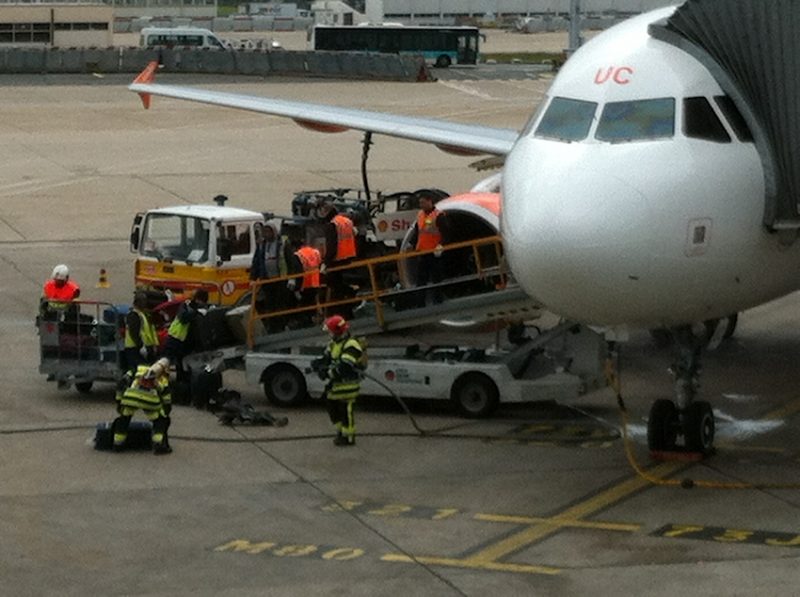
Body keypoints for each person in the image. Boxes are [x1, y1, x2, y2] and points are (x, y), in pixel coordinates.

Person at [312, 315, 366, 447]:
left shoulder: (351, 345)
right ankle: (341, 431)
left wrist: (327, 373)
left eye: (330, 331)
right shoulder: (333, 344)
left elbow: (345, 367)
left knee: (345, 409)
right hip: (337, 384)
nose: (329, 334)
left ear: (337, 332)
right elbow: (327, 358)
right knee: (332, 406)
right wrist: (317, 364)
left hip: (349, 384)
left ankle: (348, 437)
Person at [111, 357, 173, 454]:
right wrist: (166, 410)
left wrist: (119, 401)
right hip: (150, 400)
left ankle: (117, 444)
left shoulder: (135, 369)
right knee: (160, 421)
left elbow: (121, 383)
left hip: (131, 397)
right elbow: (166, 396)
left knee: (124, 419)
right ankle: (159, 445)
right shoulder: (162, 376)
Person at [316, 200, 357, 316]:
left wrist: (325, 263)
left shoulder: (332, 225)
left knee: (333, 286)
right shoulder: (346, 221)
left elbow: (332, 247)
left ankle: (340, 312)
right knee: (340, 287)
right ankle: (349, 306)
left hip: (337, 261)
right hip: (350, 258)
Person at [409, 194, 450, 306]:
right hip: (423, 252)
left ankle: (438, 300)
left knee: (436, 277)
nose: (421, 205)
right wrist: (412, 245)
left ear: (430, 201)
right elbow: (418, 232)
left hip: (434, 252)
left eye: (423, 202)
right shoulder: (420, 215)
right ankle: (420, 302)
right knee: (421, 279)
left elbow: (446, 233)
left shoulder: (438, 215)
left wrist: (441, 245)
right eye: (420, 203)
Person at [163, 288, 208, 388]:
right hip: (175, 339)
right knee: (166, 362)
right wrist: (196, 312)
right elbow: (184, 318)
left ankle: (183, 387)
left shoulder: (199, 309)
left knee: (183, 366)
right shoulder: (187, 305)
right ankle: (166, 385)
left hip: (184, 342)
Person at [250, 222, 289, 333]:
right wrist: (253, 278)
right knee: (269, 304)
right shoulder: (262, 245)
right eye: (265, 232)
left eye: (269, 231)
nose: (267, 234)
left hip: (280, 279)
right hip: (266, 280)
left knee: (280, 304)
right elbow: (256, 262)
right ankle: (271, 327)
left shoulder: (282, 244)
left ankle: (281, 326)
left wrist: (291, 278)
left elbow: (289, 259)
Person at [285, 237, 322, 328]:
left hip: (305, 284)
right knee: (313, 303)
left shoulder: (298, 255)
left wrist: (296, 288)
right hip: (316, 282)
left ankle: (307, 323)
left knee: (304, 305)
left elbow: (298, 272)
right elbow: (319, 264)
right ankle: (314, 321)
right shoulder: (315, 252)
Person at [124, 290, 159, 371]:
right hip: (135, 348)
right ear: (137, 302)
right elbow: (134, 333)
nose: (145, 303)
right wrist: (141, 346)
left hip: (146, 347)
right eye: (143, 301)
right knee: (139, 371)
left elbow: (150, 331)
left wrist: (154, 345)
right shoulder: (133, 315)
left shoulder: (144, 314)